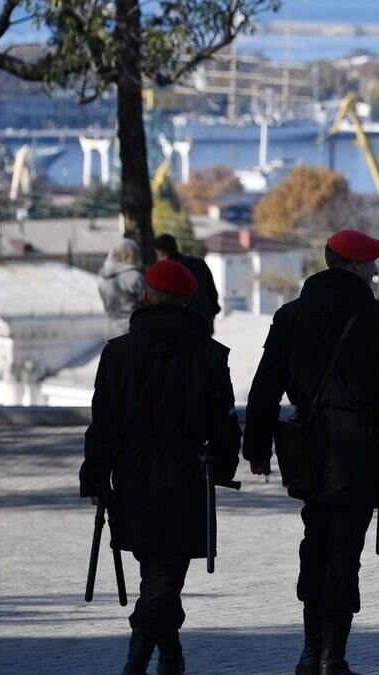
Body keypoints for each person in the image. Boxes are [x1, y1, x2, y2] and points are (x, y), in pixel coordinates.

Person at [243, 230, 379, 675]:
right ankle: (333, 656)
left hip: (307, 446)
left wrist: (258, 448)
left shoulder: (289, 317)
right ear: (355, 266)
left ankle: (309, 651)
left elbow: (264, 388)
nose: (376, 271)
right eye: (371, 264)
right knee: (345, 551)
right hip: (361, 450)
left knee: (315, 544)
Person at [80, 259, 241, 675]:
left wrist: (96, 474)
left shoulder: (117, 353)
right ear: (188, 301)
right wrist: (224, 465)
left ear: (146, 297)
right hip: (184, 474)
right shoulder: (210, 355)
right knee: (163, 576)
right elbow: (223, 422)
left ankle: (166, 656)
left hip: (131, 473)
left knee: (157, 573)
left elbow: (103, 422)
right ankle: (143, 662)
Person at [155, 233, 221, 333]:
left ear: (161, 253)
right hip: (204, 323)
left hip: (180, 327)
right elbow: (213, 294)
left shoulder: (166, 270)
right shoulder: (199, 263)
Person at [97, 238, 145, 339]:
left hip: (109, 329)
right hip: (130, 330)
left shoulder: (102, 276)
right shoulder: (134, 276)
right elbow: (146, 302)